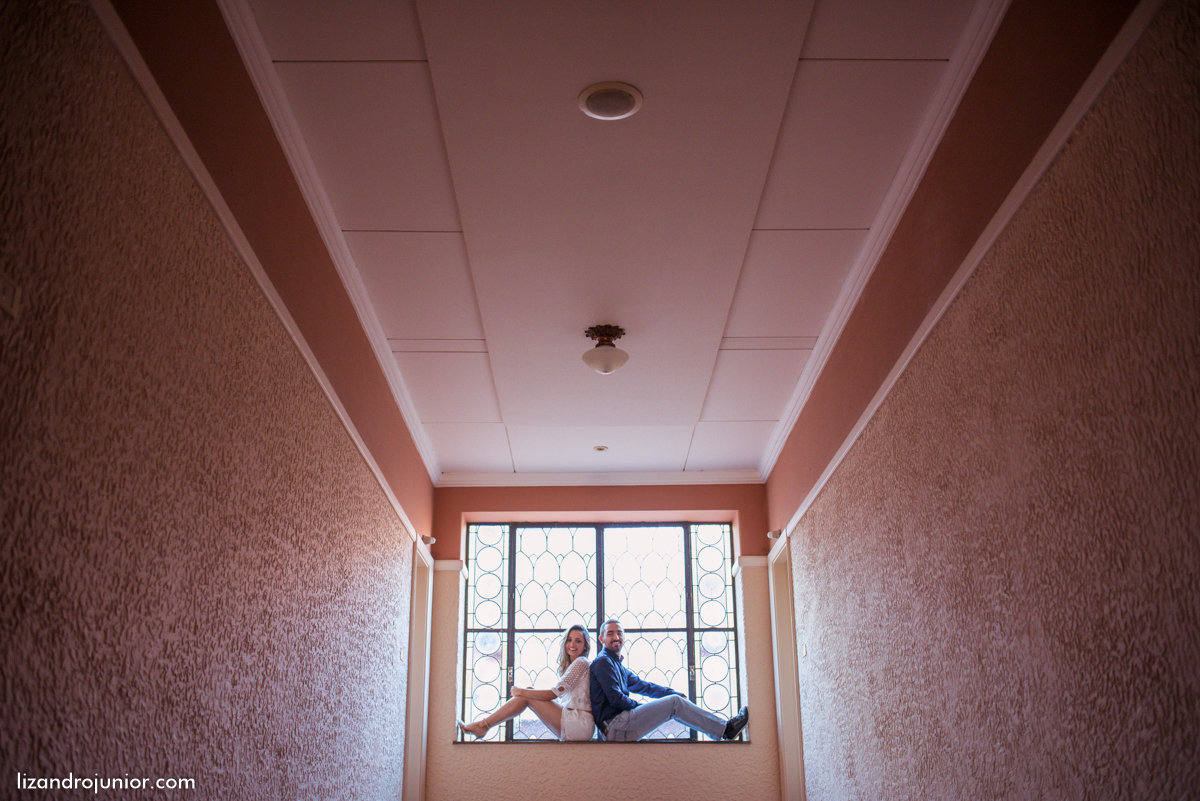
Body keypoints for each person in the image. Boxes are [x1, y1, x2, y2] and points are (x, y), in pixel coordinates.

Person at [590, 618, 748, 742]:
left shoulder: (617, 665)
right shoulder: (603, 662)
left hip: (620, 727)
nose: (616, 637)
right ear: (601, 639)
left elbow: (645, 687)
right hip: (614, 726)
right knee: (674, 704)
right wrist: (643, 708)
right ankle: (726, 729)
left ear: (624, 637)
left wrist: (674, 693)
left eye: (619, 633)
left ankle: (721, 730)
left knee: (675, 701)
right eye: (610, 634)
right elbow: (616, 699)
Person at [457, 624, 596, 741]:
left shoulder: (581, 662)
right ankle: (483, 726)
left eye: (578, 641)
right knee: (529, 691)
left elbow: (553, 694)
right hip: (575, 720)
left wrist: (521, 691)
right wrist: (526, 691)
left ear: (585, 646)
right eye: (569, 640)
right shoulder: (574, 665)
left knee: (526, 695)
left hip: (580, 723)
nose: (572, 644)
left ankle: (483, 726)